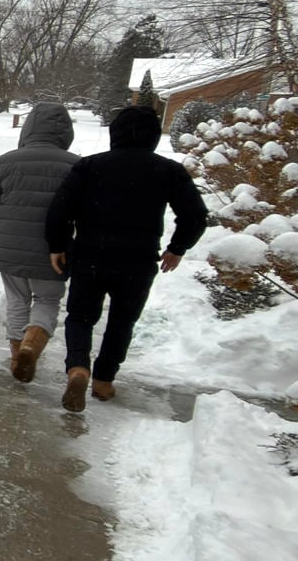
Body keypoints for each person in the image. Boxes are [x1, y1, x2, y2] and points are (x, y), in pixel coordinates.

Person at [45, 104, 208, 412]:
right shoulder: (168, 170)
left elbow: (60, 210)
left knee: (80, 316)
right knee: (122, 321)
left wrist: (58, 245)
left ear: (115, 133)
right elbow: (196, 216)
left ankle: (78, 367)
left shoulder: (90, 166)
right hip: (138, 259)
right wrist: (177, 248)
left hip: (90, 255)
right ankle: (104, 380)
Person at [0, 102, 80, 383]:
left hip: (11, 248)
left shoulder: (6, 162)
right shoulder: (77, 165)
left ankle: (18, 356)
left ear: (28, 128)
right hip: (55, 252)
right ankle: (32, 343)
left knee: (17, 299)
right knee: (47, 299)